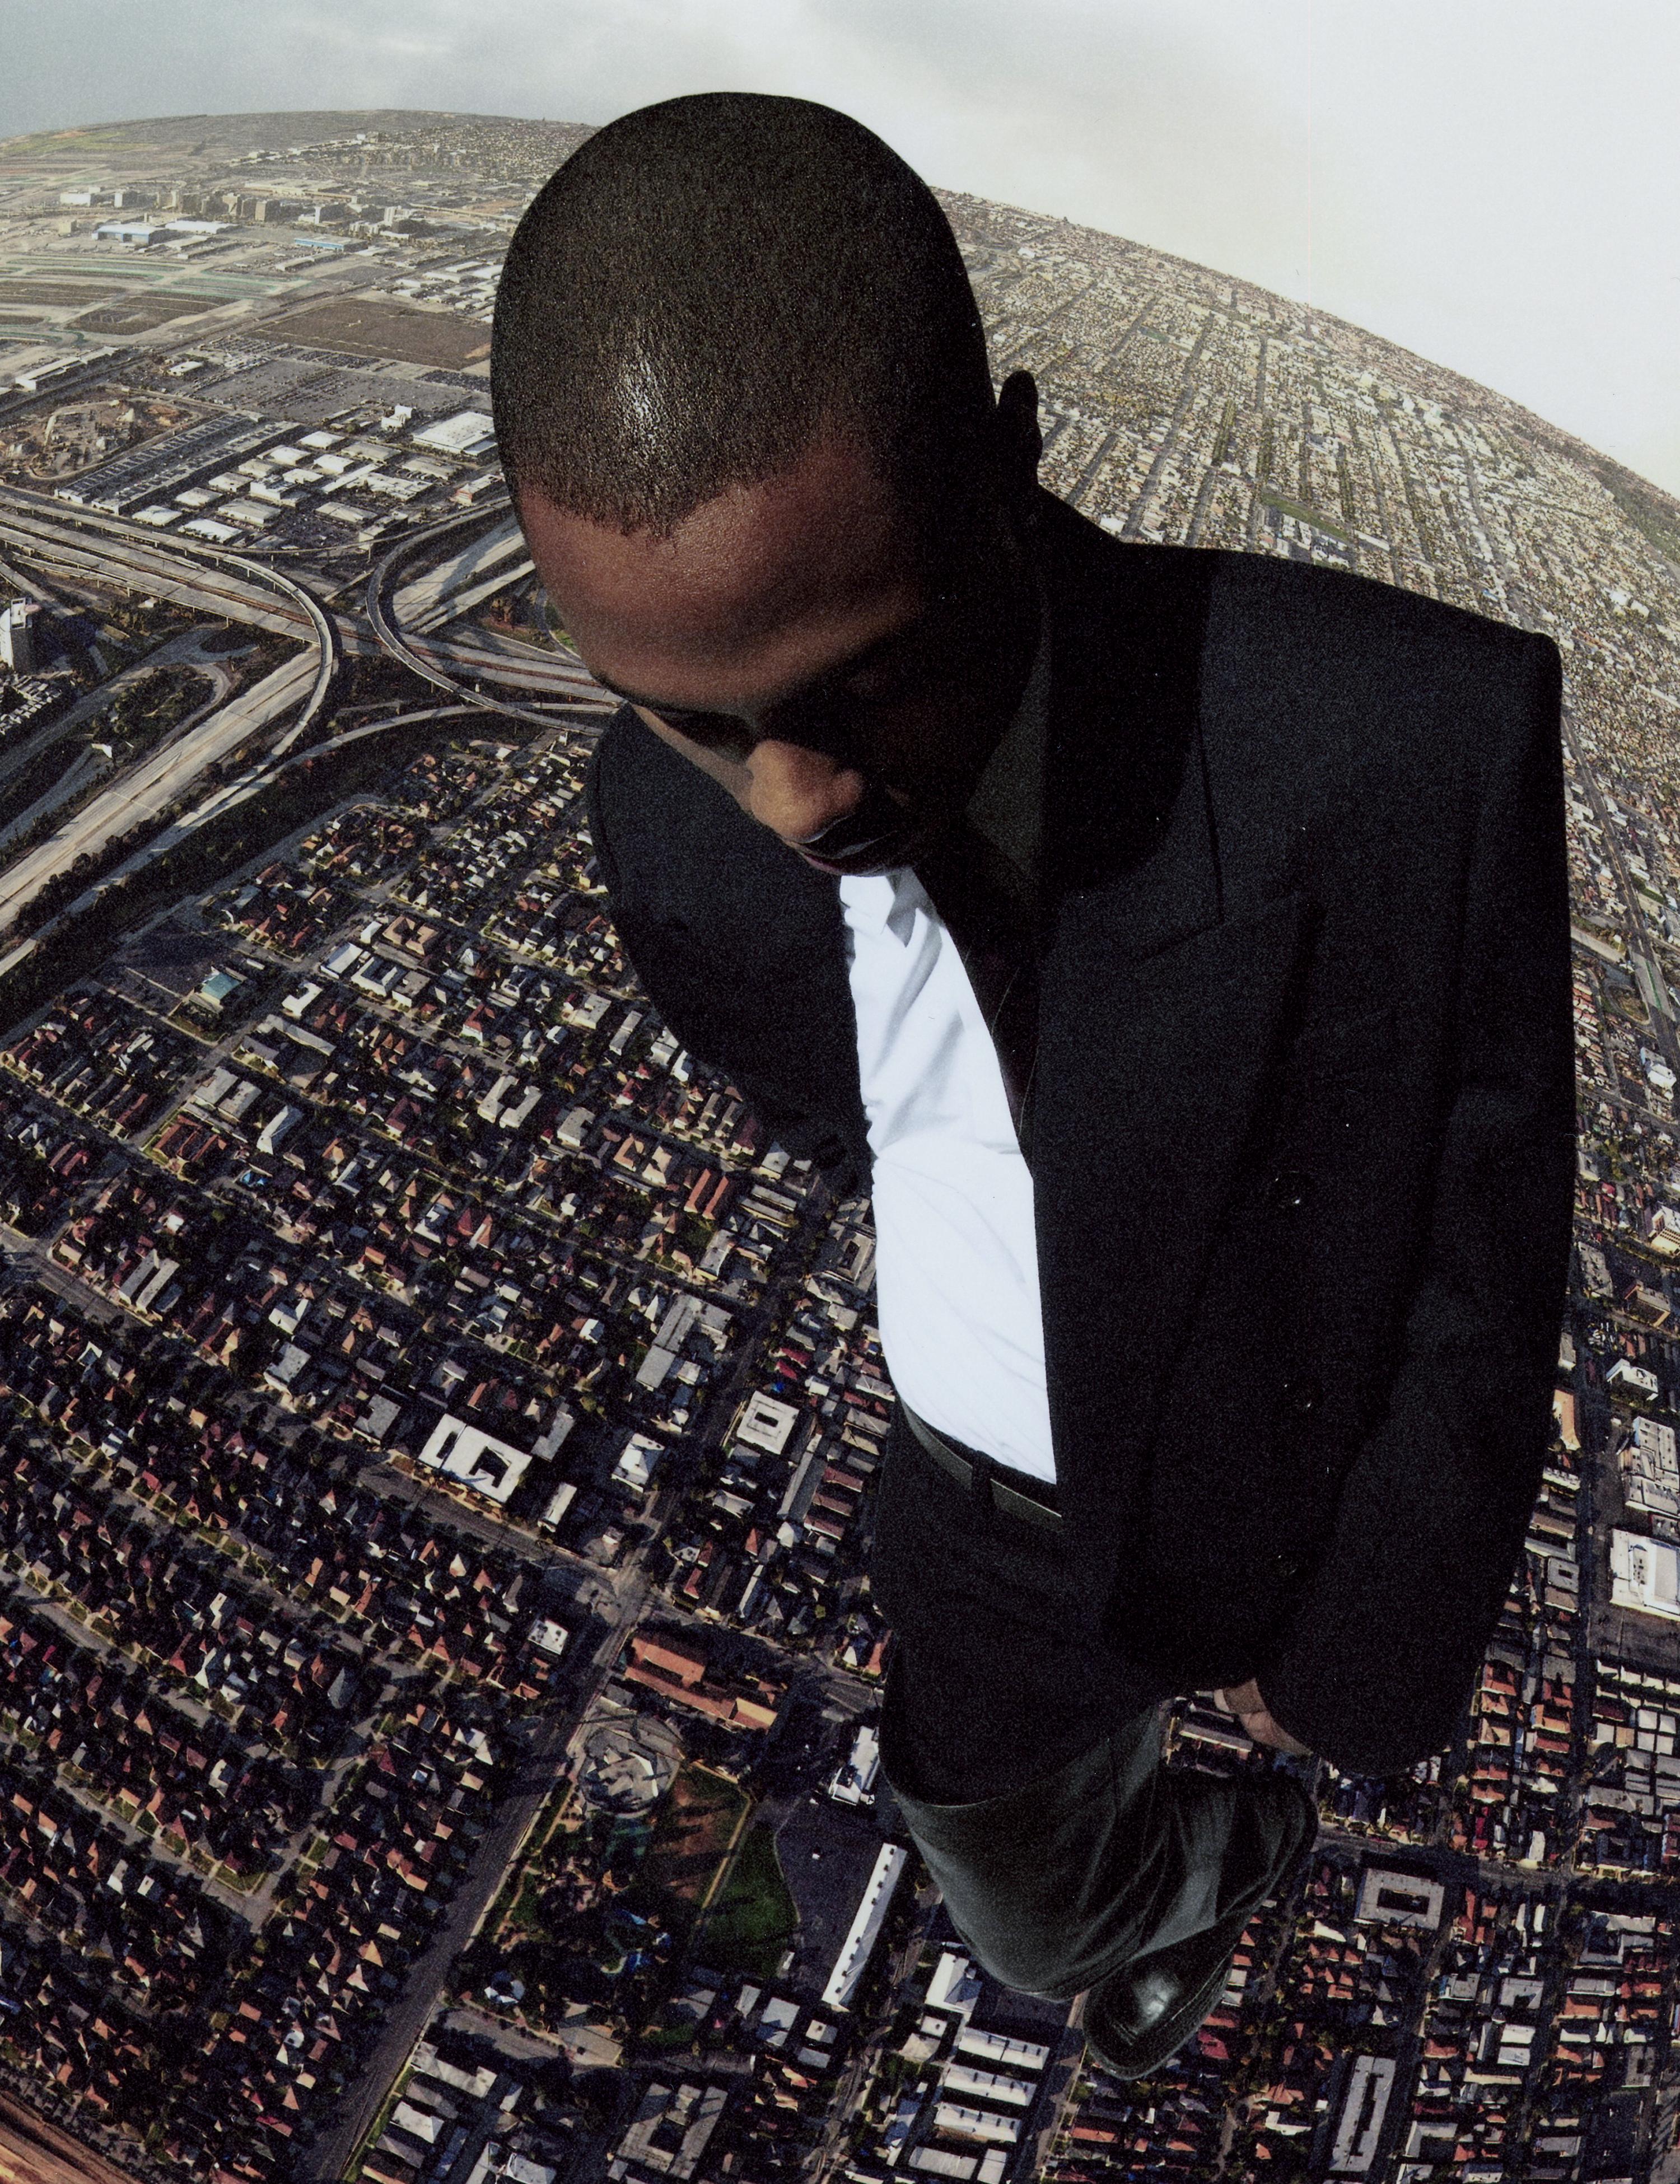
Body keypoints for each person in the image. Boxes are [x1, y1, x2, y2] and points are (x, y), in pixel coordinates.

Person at [490, 92, 1576, 2076]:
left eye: (861, 681)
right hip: (972, 1497)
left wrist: (1360, 1664)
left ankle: (1239, 1833)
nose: (795, 801)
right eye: (699, 723)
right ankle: (1203, 1873)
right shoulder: (664, 828)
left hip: (1256, 1467)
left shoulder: (1398, 747)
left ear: (1009, 460)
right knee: (1014, 1897)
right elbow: (829, 1108)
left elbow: (1480, 1250)